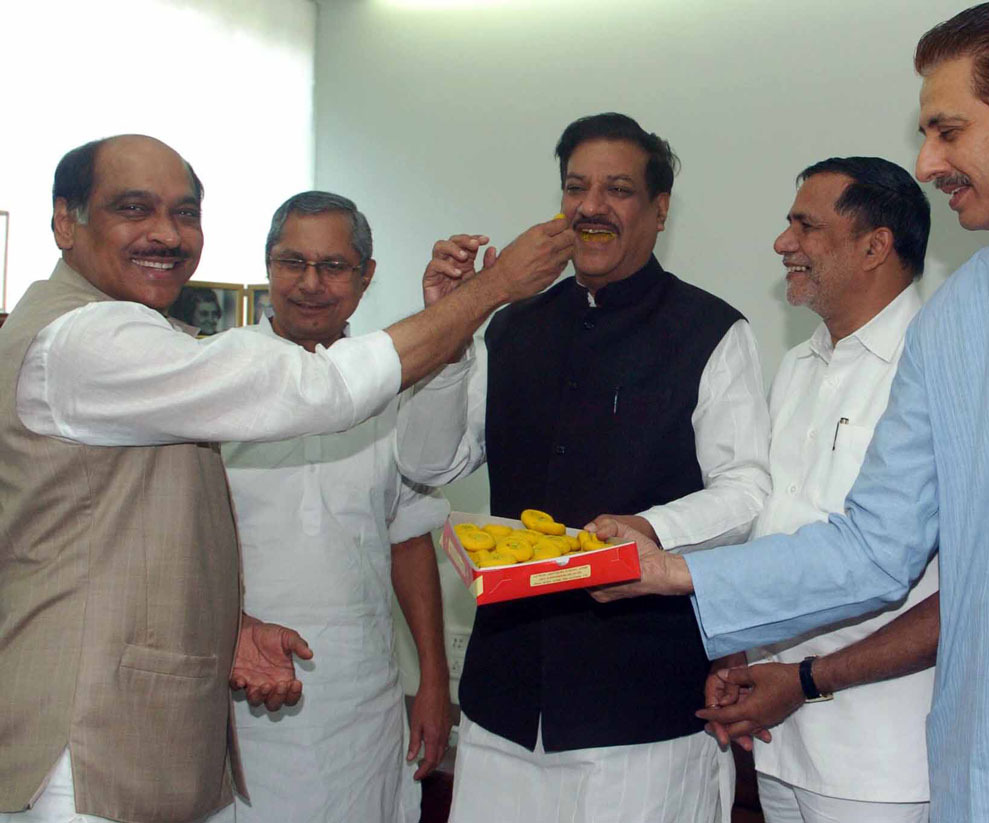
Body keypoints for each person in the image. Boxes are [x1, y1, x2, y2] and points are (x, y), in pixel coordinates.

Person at [590, 2, 989, 821]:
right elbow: (876, 548)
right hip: (987, 763)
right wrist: (671, 567)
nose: (926, 160)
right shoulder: (954, 318)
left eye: (949, 130)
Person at [0, 134, 573, 823]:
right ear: (66, 219)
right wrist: (495, 286)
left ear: (365, 275)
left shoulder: (145, 351)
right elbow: (320, 389)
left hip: (292, 694)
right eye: (133, 208)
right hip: (96, 741)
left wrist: (230, 621)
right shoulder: (92, 341)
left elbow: (132, 541)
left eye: (185, 213)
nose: (166, 233)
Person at [411, 113, 772, 823]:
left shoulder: (711, 330)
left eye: (618, 189)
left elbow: (748, 492)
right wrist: (450, 326)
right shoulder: (511, 324)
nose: (592, 207)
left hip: (641, 713)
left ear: (660, 210)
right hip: (503, 703)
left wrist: (648, 528)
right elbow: (428, 458)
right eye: (577, 188)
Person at [706, 158, 939, 823]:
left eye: (806, 226)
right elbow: (768, 531)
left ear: (874, 245)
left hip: (882, 761)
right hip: (778, 740)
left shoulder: (933, 365)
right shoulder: (796, 365)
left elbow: (956, 587)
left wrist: (803, 682)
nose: (784, 244)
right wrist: (734, 655)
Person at [221, 191, 453, 823]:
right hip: (235, 695)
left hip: (359, 696)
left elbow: (408, 540)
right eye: (292, 262)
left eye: (334, 266)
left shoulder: (393, 385)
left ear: (366, 275)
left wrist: (434, 679)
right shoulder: (217, 378)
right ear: (268, 265)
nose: (310, 284)